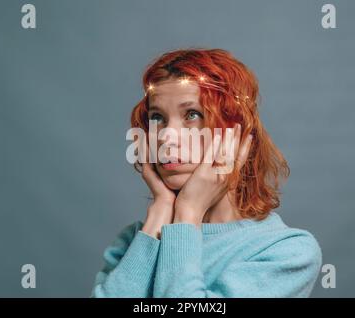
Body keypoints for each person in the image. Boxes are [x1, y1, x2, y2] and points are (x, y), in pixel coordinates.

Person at [91, 48, 322, 298]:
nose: (166, 136)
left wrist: (188, 212)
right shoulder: (134, 241)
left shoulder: (286, 252)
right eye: (157, 118)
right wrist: (157, 220)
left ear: (237, 133)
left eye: (192, 114)